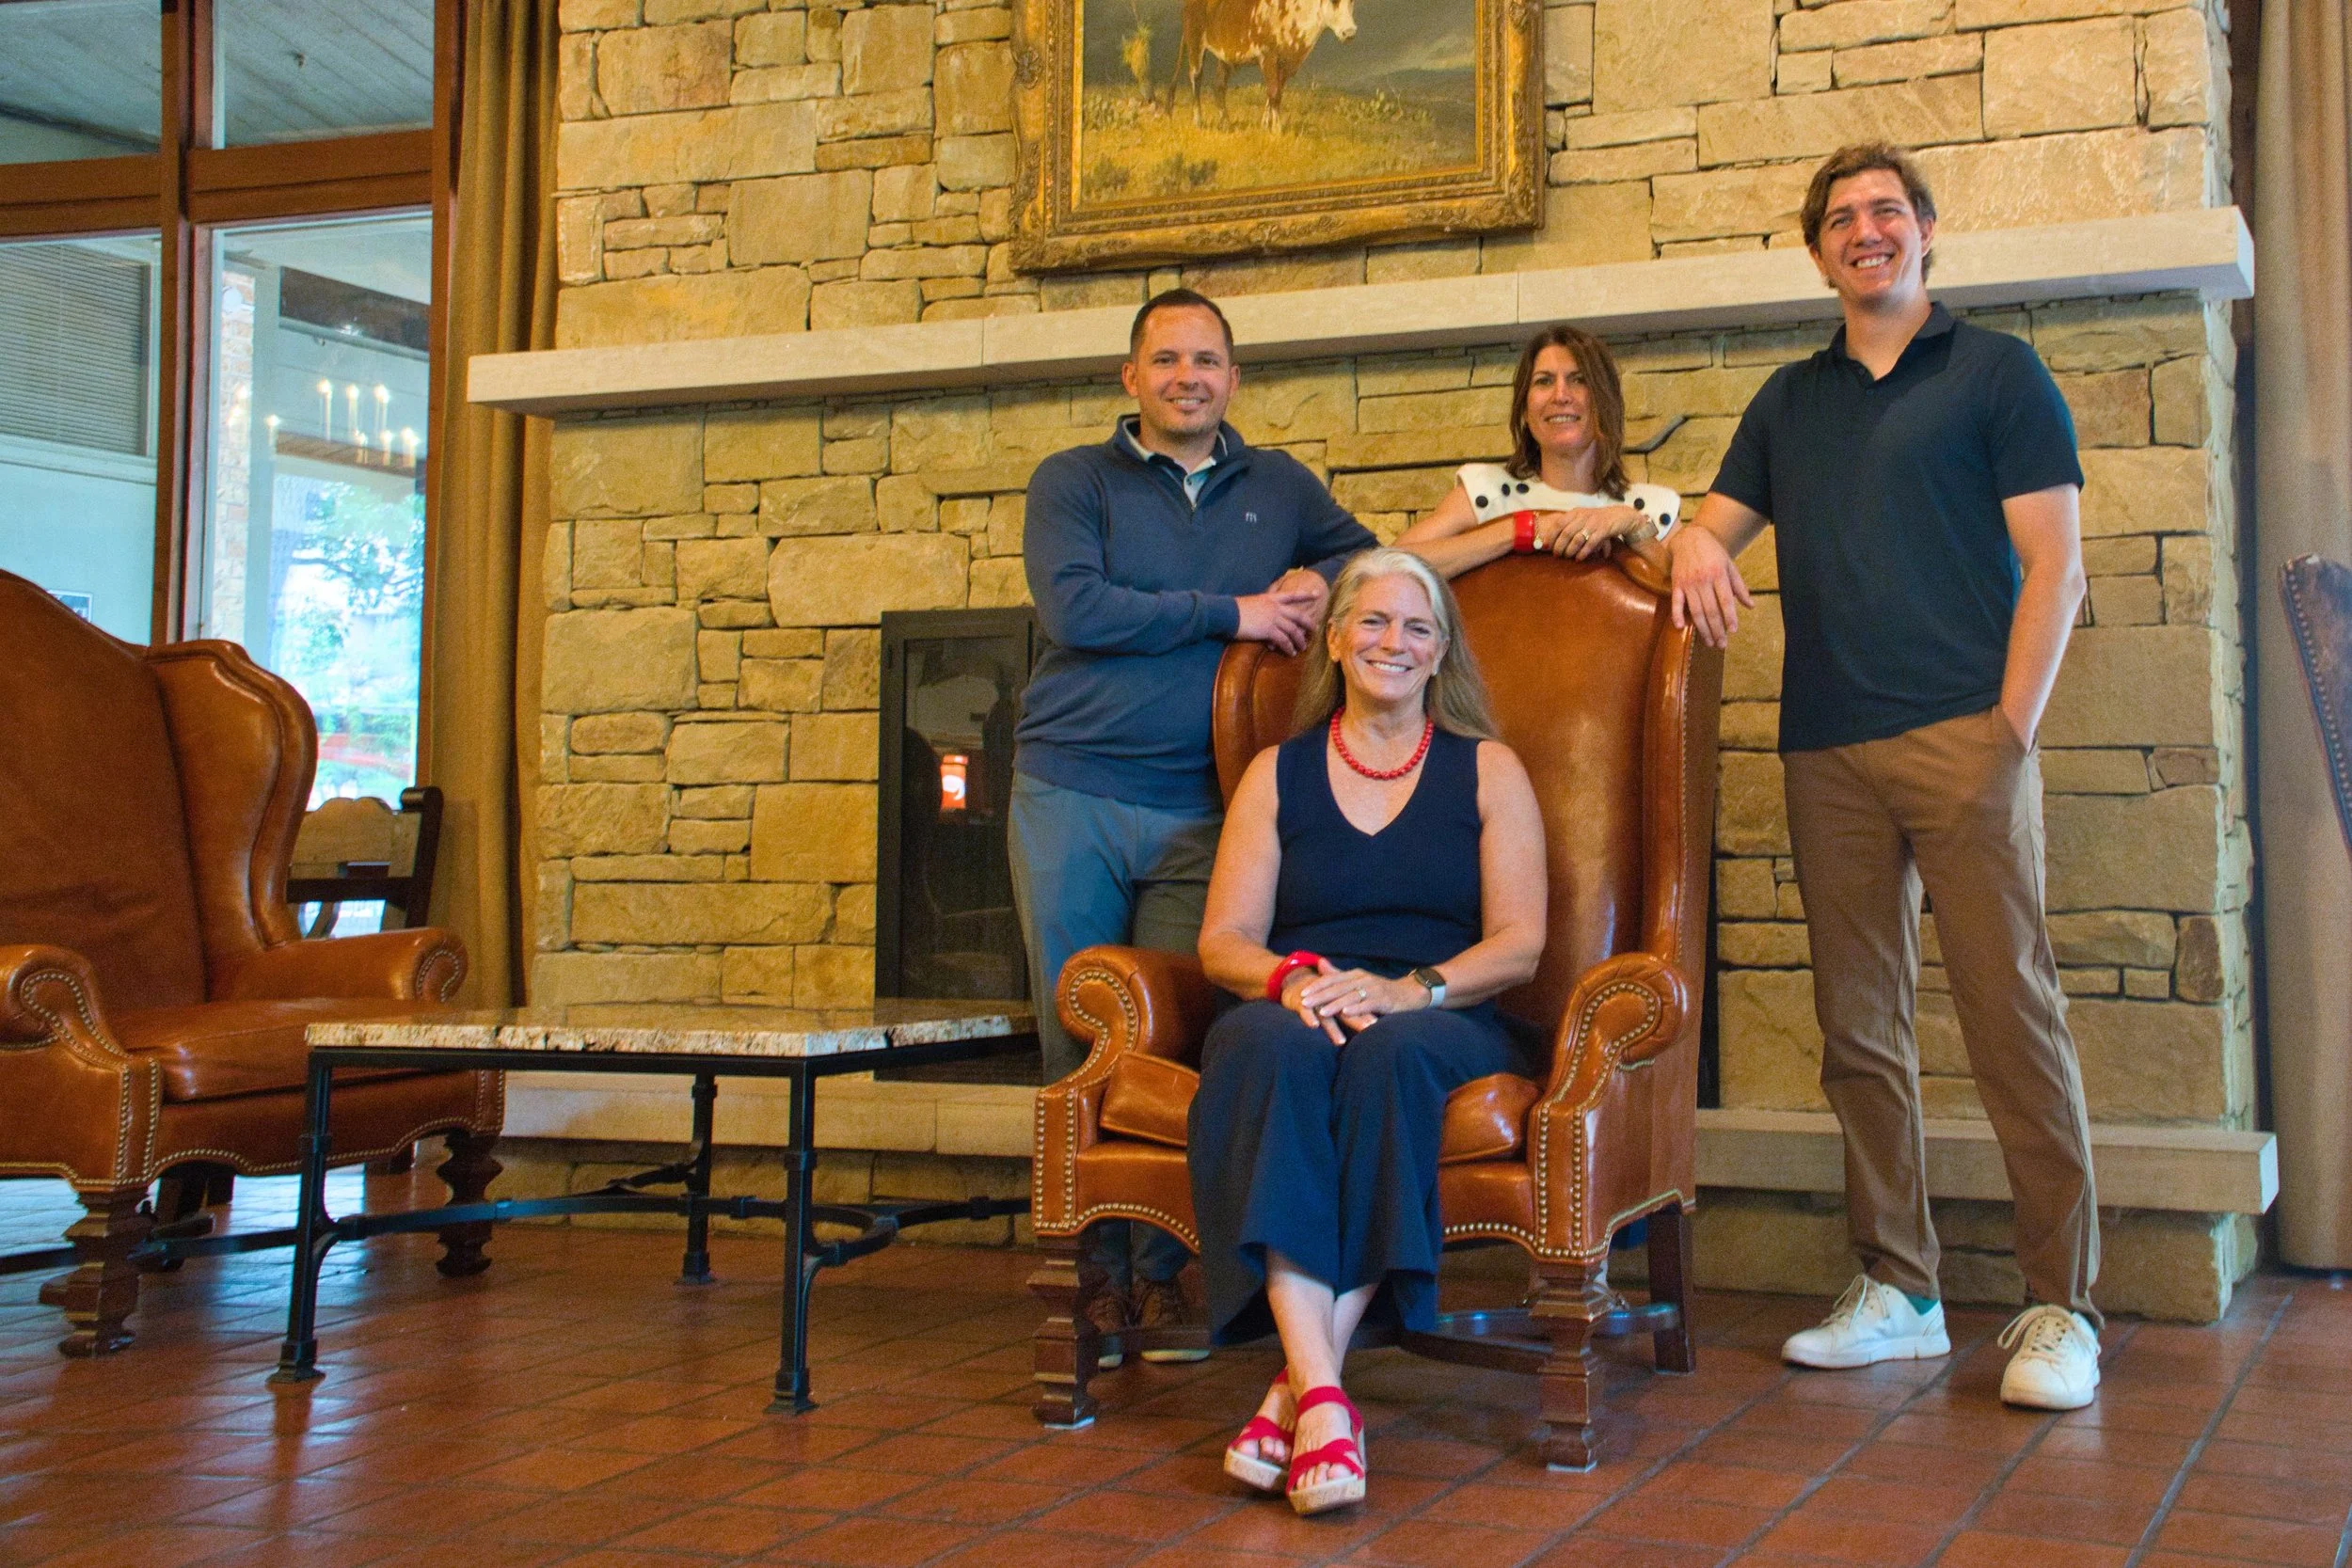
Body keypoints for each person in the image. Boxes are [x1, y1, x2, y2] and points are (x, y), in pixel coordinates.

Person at [1667, 142, 2102, 1411]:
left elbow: (2055, 568)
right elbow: (1709, 526)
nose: (1868, 230)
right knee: (1861, 1031)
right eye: (1844, 217)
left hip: (1968, 736)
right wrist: (1695, 546)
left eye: (1888, 211)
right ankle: (1901, 1288)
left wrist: (2008, 733)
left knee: (2011, 1020)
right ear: (1819, 251)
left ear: (1924, 234)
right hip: (1828, 750)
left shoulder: (1997, 373)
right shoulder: (1788, 402)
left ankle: (2060, 1303)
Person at [1013, 287, 1379, 1366]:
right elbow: (1075, 608)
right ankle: (1087, 1276)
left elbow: (1367, 562)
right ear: (1130, 378)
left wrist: (1319, 572)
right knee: (1074, 1035)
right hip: (1070, 789)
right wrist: (1238, 614)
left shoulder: (1279, 485)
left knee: (1177, 1041)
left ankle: (1163, 1274)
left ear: (1233, 377)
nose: (1188, 376)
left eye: (1207, 360)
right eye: (1166, 359)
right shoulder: (1072, 480)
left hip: (1204, 807)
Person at [1188, 548, 1548, 1513]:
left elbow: (1519, 943)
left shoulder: (1487, 768)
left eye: (1417, 626)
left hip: (1443, 1013)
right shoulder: (1277, 772)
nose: (1395, 641)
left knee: (1388, 1052)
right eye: (1374, 621)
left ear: (1440, 655)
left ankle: (1295, 1393)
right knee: (1261, 1043)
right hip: (1301, 1001)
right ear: (1338, 640)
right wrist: (1292, 980)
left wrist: (1409, 989)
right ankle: (1327, 1400)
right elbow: (1223, 937)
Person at [1399, 324, 1673, 578]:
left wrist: (1636, 528)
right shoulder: (1487, 493)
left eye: (1579, 379)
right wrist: (1524, 529)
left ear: (1605, 401)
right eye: (1544, 381)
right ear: (1525, 410)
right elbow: (1392, 567)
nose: (1561, 395)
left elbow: (1692, 604)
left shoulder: (1651, 506)